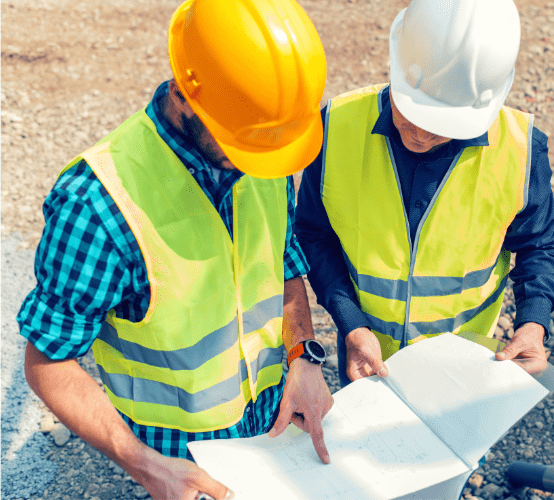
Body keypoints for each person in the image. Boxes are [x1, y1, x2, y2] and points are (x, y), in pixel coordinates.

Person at [18, 1, 333, 499]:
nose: (259, 159)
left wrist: (303, 356)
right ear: (188, 94)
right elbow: (48, 360)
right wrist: (146, 466)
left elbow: (284, 260)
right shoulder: (98, 204)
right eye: (244, 142)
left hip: (271, 425)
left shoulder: (261, 146)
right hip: (178, 458)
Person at [297, 0, 554, 388]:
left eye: (440, 125)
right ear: (397, 68)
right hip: (367, 361)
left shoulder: (521, 151)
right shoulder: (337, 127)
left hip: (466, 368)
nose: (421, 134)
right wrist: (351, 324)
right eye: (413, 115)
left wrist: (533, 322)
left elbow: (539, 245)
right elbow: (312, 234)